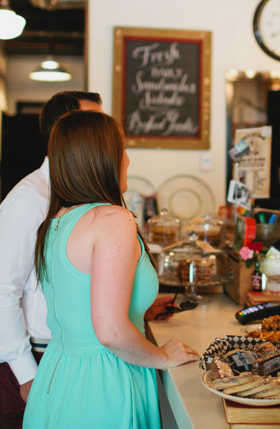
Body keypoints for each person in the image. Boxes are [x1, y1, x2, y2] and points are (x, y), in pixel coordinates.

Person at [23, 110, 199, 428]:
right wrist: (164, 357)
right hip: (104, 384)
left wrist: (140, 310)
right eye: (123, 148)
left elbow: (80, 305)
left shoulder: (56, 221)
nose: (128, 160)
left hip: (57, 377)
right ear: (101, 158)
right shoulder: (112, 219)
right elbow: (111, 332)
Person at [0, 91, 103, 429]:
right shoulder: (29, 199)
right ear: (61, 133)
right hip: (34, 357)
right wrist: (26, 376)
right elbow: (0, 291)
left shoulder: (80, 194)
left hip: (68, 354)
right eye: (92, 123)